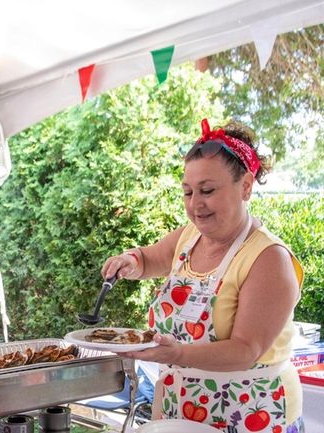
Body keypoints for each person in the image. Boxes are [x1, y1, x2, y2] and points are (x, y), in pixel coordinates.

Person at [102, 119, 305, 433]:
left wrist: (178, 353)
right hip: (179, 412)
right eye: (187, 192)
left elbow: (245, 349)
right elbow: (149, 258)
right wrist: (130, 260)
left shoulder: (268, 259)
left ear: (246, 186)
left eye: (207, 191)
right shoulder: (189, 237)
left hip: (251, 415)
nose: (196, 204)